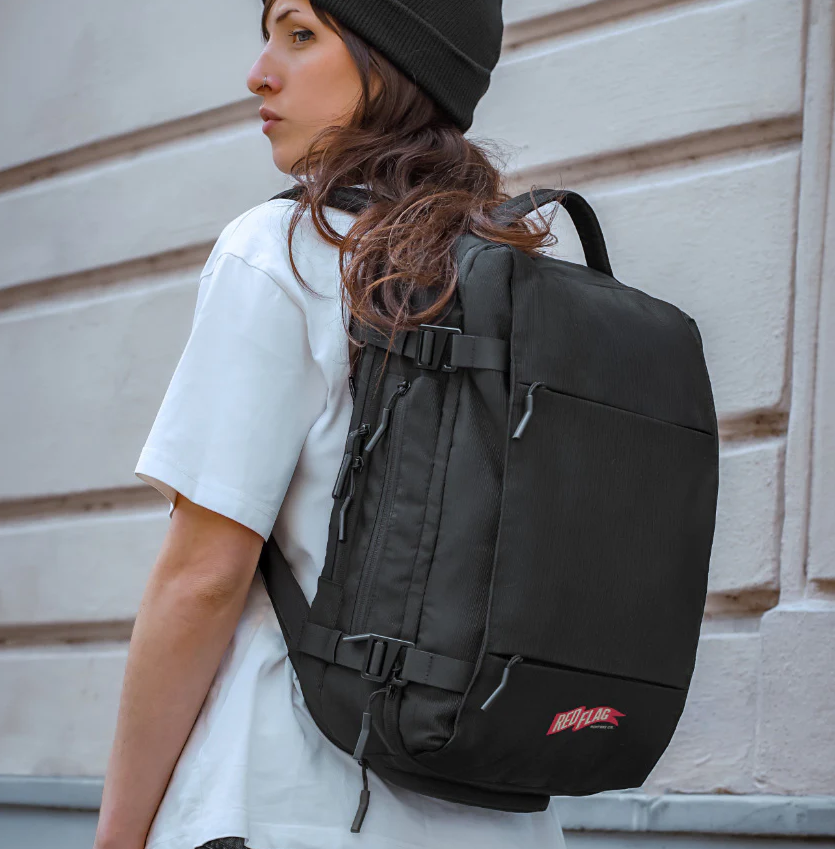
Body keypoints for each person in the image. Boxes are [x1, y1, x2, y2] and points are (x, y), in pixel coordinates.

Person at [93, 1, 568, 847]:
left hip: (288, 797)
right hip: (500, 818)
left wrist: (117, 835)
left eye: (301, 33)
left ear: (393, 62)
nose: (260, 72)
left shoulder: (280, 248)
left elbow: (202, 577)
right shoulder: (520, 276)